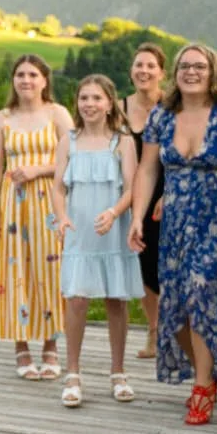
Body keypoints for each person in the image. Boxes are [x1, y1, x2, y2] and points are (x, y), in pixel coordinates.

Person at [131, 44, 217, 423]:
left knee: (199, 292)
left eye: (199, 66)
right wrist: (137, 217)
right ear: (175, 73)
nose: (191, 72)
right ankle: (205, 372)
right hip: (175, 225)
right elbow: (146, 170)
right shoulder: (162, 115)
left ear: (213, 72)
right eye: (184, 66)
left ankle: (203, 386)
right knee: (172, 310)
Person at [0, 54, 72, 378]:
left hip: (51, 202)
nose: (26, 80)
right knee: (14, 269)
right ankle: (20, 347)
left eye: (33, 74)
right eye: (20, 74)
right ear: (13, 81)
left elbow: (75, 154)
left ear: (45, 80)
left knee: (52, 270)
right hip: (13, 205)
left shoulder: (57, 113)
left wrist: (39, 169)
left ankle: (51, 345)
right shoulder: (3, 117)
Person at [56, 74, 143, 407]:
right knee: (77, 299)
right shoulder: (69, 140)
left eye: (96, 98)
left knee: (115, 300)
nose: (89, 104)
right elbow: (59, 188)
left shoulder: (122, 141)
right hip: (79, 230)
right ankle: (73, 373)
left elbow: (132, 187)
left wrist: (114, 211)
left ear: (110, 103)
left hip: (113, 229)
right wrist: (62, 216)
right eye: (83, 98)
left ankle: (118, 373)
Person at [122, 43, 165, 360]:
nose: (144, 71)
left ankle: (175, 331)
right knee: (141, 268)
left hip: (168, 195)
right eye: (139, 65)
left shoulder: (173, 107)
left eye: (151, 66)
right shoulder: (119, 107)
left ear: (162, 73)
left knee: (167, 268)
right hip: (130, 196)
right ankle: (154, 331)